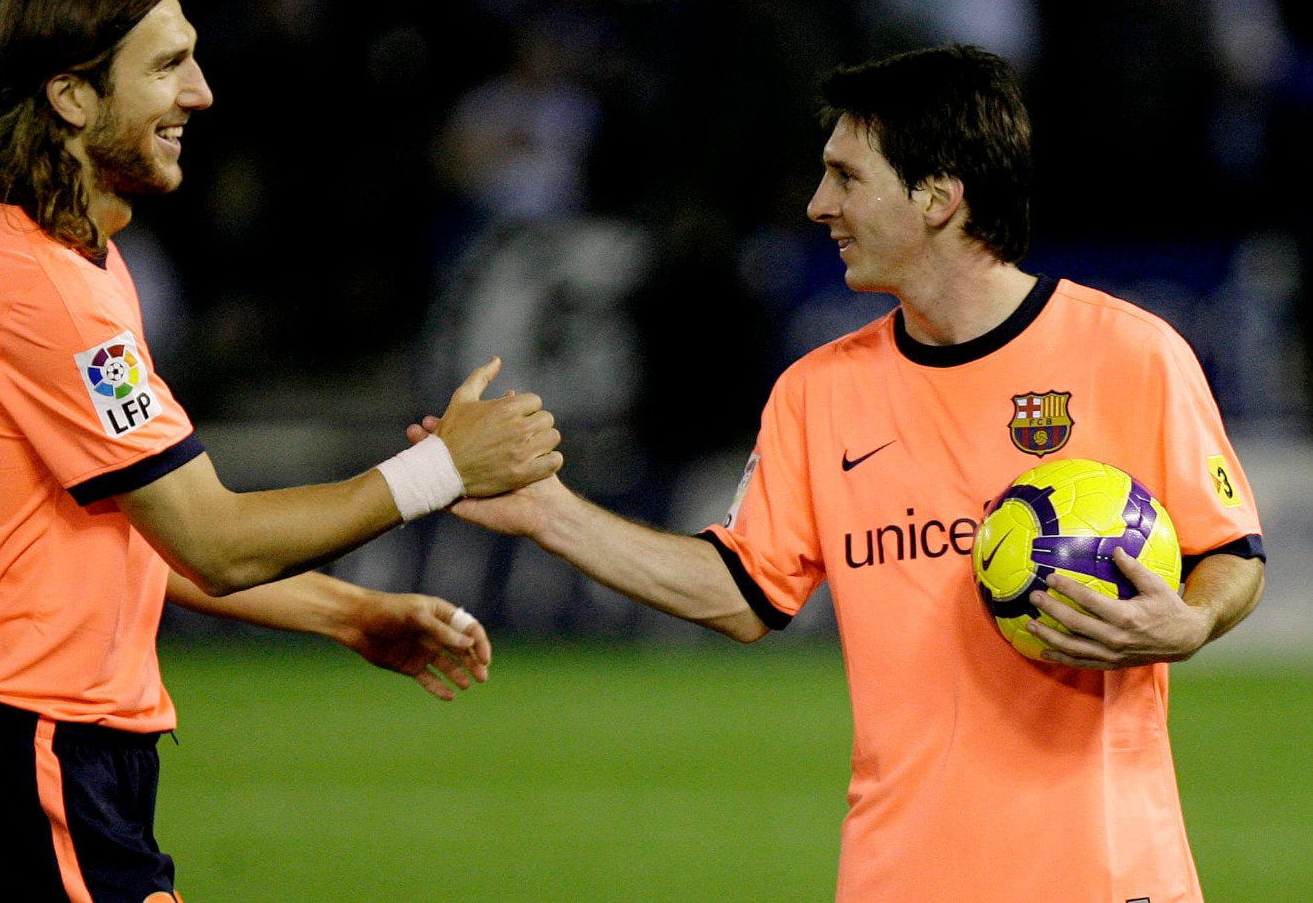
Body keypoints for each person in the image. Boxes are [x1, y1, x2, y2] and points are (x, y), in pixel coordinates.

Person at [420, 44, 1267, 902]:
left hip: (1108, 874)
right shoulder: (817, 392)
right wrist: (549, 513)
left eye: (847, 177)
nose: (819, 205)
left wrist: (1190, 621)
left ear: (938, 195)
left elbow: (1231, 552)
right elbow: (743, 592)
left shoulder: (1130, 354)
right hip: (899, 878)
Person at [0, 0, 563, 902]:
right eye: (166, 65)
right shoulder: (57, 295)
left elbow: (143, 537)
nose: (200, 92)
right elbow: (211, 538)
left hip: (28, 757)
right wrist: (443, 470)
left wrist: (347, 611)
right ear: (73, 94)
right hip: (39, 760)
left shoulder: (28, 248)